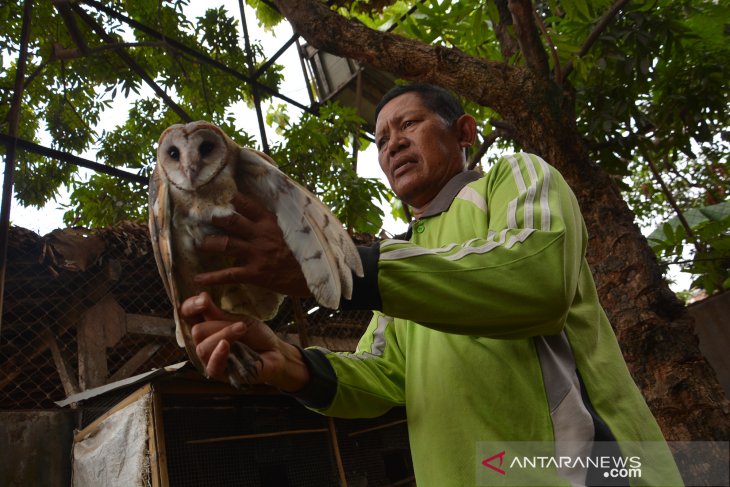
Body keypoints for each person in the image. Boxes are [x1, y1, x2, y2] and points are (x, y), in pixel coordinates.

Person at [181, 84, 682, 486]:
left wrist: (334, 266)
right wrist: (287, 363)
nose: (392, 143)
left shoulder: (514, 176)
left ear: (463, 131)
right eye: (380, 140)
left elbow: (536, 278)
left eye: (408, 124)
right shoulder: (404, 263)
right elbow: (383, 373)